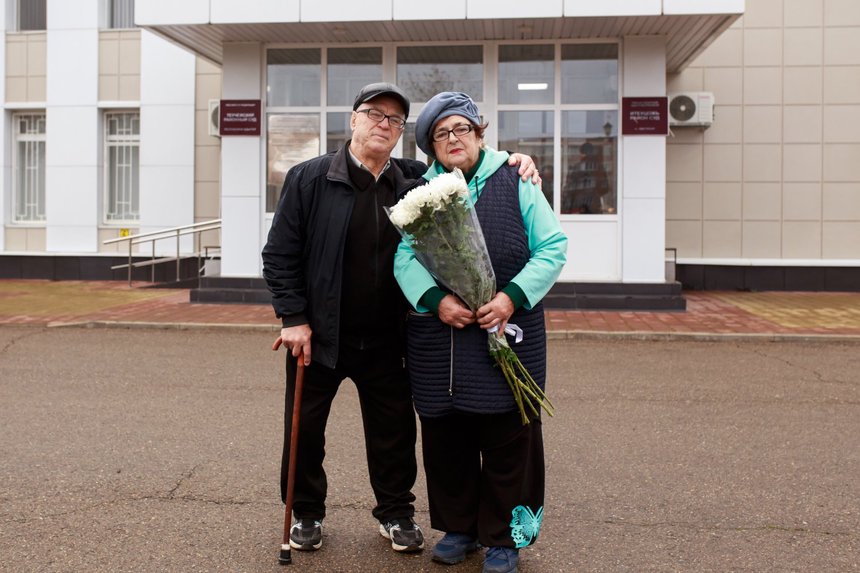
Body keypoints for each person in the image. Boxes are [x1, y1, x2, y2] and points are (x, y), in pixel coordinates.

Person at [261, 83, 541, 556]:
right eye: (374, 114)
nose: (383, 124)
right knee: (305, 429)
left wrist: (516, 160)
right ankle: (306, 511)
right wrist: (293, 317)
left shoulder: (413, 179)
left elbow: (467, 163)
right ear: (353, 119)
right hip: (320, 334)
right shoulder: (308, 179)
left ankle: (395, 512)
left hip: (388, 336)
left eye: (394, 120)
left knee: (393, 433)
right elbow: (279, 254)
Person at [393, 92, 567, 573]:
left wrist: (510, 297)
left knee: (510, 438)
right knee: (447, 438)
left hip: (508, 327)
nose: (453, 139)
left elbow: (552, 247)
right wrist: (437, 300)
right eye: (441, 134)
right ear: (431, 146)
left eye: (461, 129)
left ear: (478, 133)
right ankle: (460, 529)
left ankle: (504, 538)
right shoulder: (421, 193)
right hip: (442, 338)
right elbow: (404, 257)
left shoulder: (516, 178)